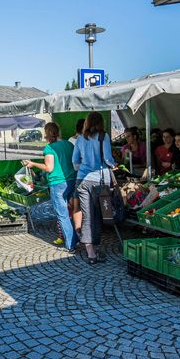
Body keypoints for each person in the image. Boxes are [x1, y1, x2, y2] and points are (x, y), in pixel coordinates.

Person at [23, 122, 78, 252]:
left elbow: (49, 168)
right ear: (58, 131)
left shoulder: (50, 148)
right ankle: (75, 239)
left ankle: (71, 245)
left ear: (47, 134)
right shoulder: (69, 144)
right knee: (71, 212)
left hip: (58, 184)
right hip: (71, 181)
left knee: (63, 214)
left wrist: (33, 164)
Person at [71, 111, 116, 265]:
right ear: (101, 123)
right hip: (100, 180)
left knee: (87, 214)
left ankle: (91, 251)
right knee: (99, 214)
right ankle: (94, 247)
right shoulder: (104, 136)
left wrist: (84, 167)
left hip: (82, 180)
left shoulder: (80, 139)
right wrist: (113, 165)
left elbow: (75, 161)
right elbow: (108, 159)